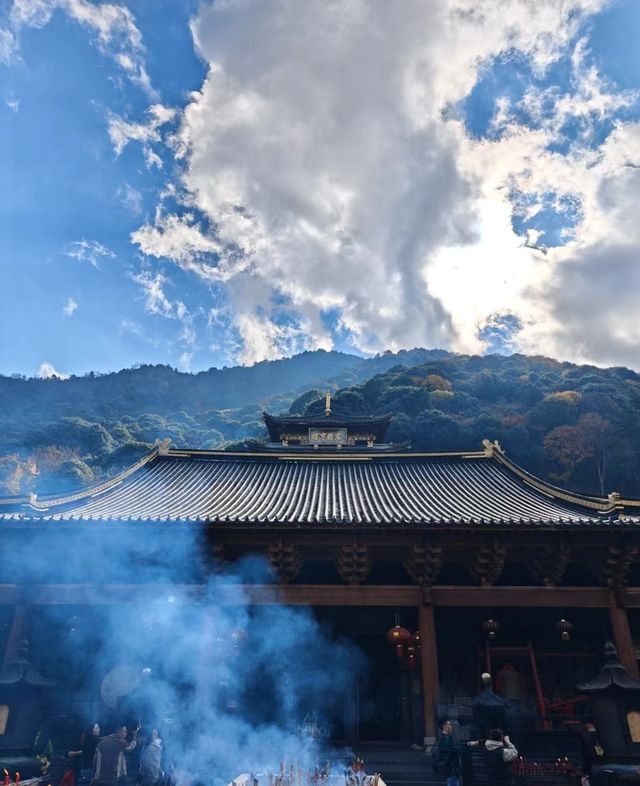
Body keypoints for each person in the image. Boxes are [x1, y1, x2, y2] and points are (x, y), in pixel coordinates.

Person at [436, 719, 469, 786]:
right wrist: (468, 745)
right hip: (451, 770)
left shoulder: (447, 739)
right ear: (444, 726)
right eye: (449, 724)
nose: (451, 726)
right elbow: (456, 748)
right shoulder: (445, 740)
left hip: (452, 770)